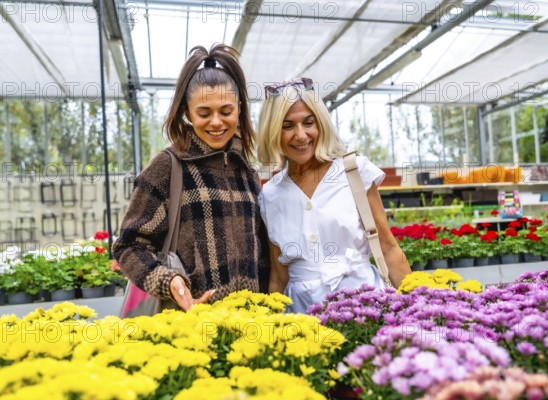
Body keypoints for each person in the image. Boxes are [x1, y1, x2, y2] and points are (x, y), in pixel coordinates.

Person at [113, 44, 269, 311]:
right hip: (191, 326)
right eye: (204, 113)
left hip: (249, 327)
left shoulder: (247, 171)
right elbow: (129, 246)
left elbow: (263, 257)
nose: (216, 122)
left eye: (226, 111)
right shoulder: (169, 167)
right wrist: (169, 280)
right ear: (187, 112)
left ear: (240, 109)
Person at [257, 78, 411, 313]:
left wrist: (417, 308)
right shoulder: (271, 194)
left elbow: (388, 248)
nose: (301, 135)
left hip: (365, 309)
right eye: (287, 126)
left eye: (309, 123)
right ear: (273, 131)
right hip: (302, 318)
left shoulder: (354, 172)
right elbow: (278, 276)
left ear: (321, 124)